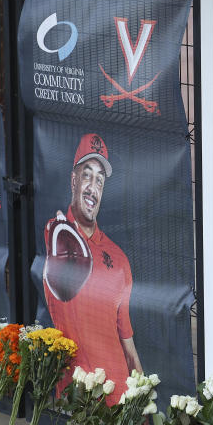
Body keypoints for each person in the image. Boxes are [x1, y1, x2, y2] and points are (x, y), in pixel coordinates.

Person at [42, 133, 142, 406]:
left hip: (118, 397)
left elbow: (128, 344)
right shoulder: (57, 232)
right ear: (73, 180)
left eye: (99, 180)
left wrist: (142, 401)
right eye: (87, 175)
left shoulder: (119, 258)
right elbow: (58, 243)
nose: (92, 187)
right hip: (78, 399)